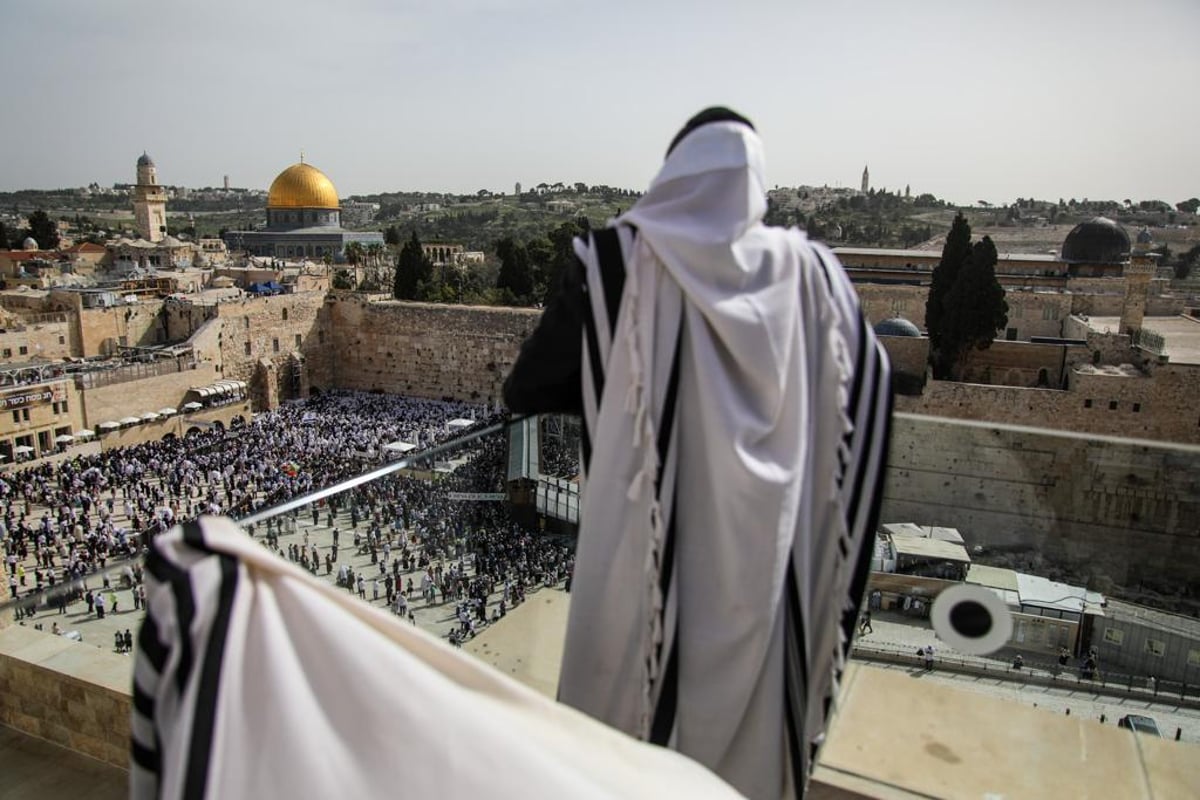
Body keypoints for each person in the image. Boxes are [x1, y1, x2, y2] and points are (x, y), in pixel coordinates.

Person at [504, 107, 892, 799]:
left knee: (624, 739)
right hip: (774, 582)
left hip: (640, 573)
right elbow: (867, 388)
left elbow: (526, 388)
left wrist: (630, 391)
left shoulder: (617, 261)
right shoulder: (816, 279)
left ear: (671, 173)